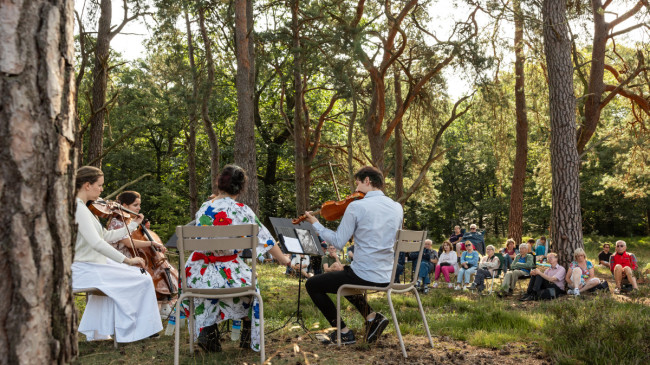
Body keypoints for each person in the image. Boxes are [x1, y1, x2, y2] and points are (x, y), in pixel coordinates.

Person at [182, 165, 291, 353]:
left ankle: (208, 334)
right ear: (240, 188)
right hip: (226, 270)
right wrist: (284, 260)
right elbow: (266, 240)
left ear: (219, 184)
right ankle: (248, 339)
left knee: (211, 290)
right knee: (251, 289)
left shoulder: (204, 207)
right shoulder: (242, 209)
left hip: (196, 274)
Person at [304, 166, 403, 345]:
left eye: (357, 183)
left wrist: (316, 224)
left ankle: (343, 331)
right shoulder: (397, 207)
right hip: (388, 275)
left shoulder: (356, 206)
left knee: (312, 284)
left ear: (367, 181)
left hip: (365, 275)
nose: (355, 189)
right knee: (344, 275)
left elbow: (337, 241)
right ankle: (373, 318)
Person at [72, 166, 163, 343]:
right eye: (100, 185)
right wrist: (127, 260)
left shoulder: (83, 208)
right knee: (141, 278)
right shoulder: (78, 208)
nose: (102, 189)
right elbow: (97, 243)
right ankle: (134, 330)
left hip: (91, 264)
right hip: (83, 268)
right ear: (87, 185)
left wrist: (131, 226)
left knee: (140, 276)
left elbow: (105, 236)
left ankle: (106, 330)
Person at [105, 191, 171, 317]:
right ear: (124, 205)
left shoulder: (129, 221)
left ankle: (160, 307)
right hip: (118, 262)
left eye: (139, 205)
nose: (139, 208)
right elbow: (129, 243)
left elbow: (135, 239)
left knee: (148, 275)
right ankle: (145, 313)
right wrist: (151, 243)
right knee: (145, 278)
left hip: (128, 260)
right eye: (135, 205)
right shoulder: (116, 222)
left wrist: (143, 230)